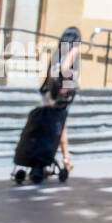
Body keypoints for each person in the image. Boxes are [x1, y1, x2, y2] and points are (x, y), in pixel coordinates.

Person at [40, 27, 81, 171]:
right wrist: (68, 86)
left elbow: (50, 73)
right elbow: (65, 68)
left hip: (48, 92)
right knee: (60, 126)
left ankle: (51, 160)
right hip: (61, 95)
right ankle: (65, 159)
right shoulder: (73, 49)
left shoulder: (59, 50)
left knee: (54, 126)